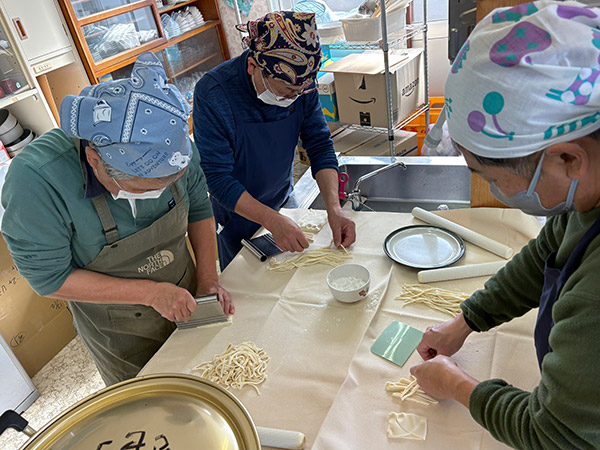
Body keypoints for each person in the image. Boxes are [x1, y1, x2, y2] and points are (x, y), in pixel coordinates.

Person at [410, 2, 600, 448]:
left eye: (495, 179)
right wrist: (467, 320)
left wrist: (456, 384)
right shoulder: (585, 192)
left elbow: (557, 431)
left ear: (568, 158)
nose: (497, 193)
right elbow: (546, 253)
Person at [1, 53, 233, 386]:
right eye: (143, 189)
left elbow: (198, 208)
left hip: (187, 293)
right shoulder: (36, 181)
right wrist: (151, 294)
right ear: (95, 158)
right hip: (120, 330)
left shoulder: (171, 139)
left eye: (168, 185)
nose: (158, 194)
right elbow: (49, 279)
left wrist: (208, 280)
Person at [193, 11, 356, 269]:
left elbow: (319, 144)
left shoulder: (301, 84)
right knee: (250, 286)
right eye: (288, 91)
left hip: (283, 202)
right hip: (237, 214)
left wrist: (334, 208)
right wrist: (271, 220)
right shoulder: (214, 94)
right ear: (253, 67)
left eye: (302, 90)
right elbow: (217, 178)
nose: (296, 96)